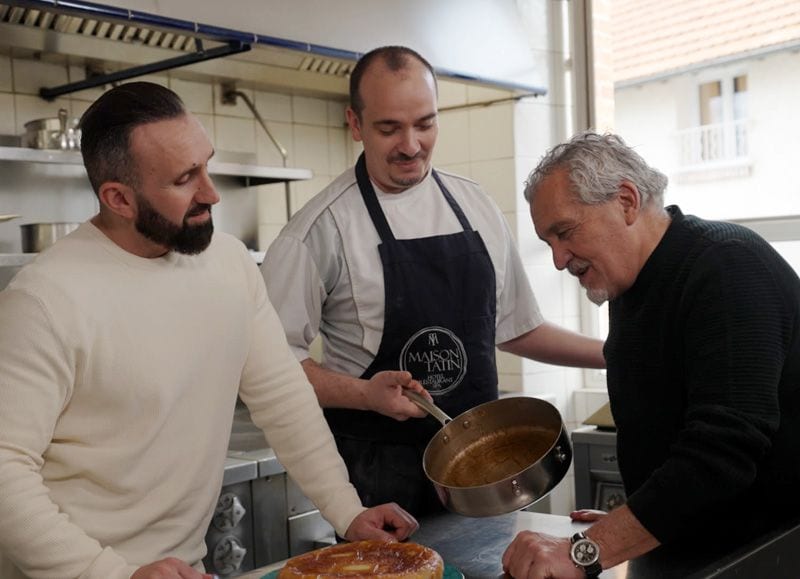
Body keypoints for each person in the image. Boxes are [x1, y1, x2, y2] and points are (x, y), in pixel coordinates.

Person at [0, 82, 418, 579]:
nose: (211, 192)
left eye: (206, 164)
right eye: (184, 179)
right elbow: (5, 468)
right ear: (119, 198)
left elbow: (283, 398)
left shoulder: (229, 265)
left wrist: (346, 511)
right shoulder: (44, 301)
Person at [260, 45, 605, 518]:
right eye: (388, 128)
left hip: (485, 468)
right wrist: (363, 394)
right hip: (379, 477)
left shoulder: (476, 206)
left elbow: (518, 327)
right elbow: (271, 368)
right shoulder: (317, 231)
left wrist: (615, 355)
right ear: (355, 124)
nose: (410, 145)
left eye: (425, 124)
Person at [502, 130, 800, 578]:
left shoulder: (727, 268)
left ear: (625, 201)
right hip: (699, 547)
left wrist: (588, 549)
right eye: (549, 244)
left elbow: (723, 454)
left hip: (771, 554)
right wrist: (635, 522)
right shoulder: (631, 290)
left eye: (564, 233)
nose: (560, 260)